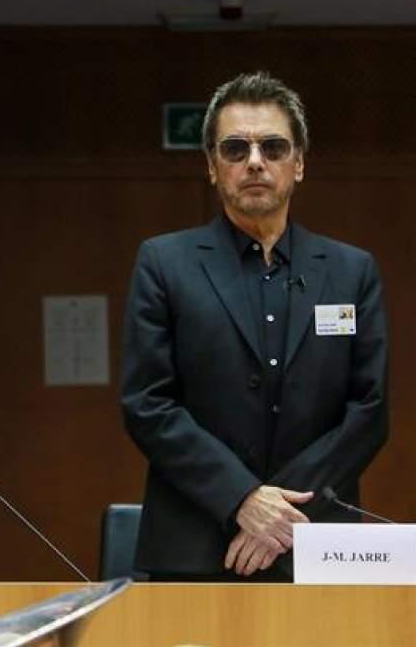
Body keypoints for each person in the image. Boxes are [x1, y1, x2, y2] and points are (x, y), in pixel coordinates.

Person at [121, 71, 388, 581]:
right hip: (196, 544)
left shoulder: (353, 271)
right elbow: (147, 404)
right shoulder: (164, 263)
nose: (255, 161)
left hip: (318, 540)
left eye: (273, 146)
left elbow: (369, 411)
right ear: (212, 167)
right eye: (235, 148)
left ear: (300, 163)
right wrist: (241, 497)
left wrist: (277, 516)